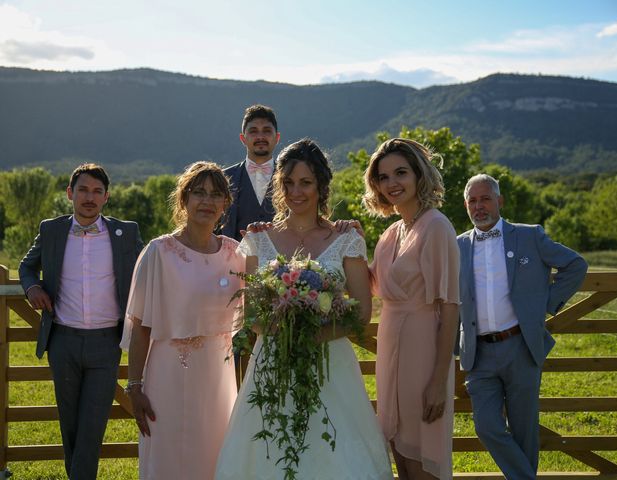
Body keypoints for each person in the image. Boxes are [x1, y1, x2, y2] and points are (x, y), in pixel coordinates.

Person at [215, 139, 393, 479]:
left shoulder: (346, 239)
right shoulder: (259, 239)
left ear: (321, 186)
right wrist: (283, 333)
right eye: (288, 183)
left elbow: (360, 313)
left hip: (330, 365)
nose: (296, 191)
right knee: (269, 451)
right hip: (272, 364)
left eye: (306, 183)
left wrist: (314, 335)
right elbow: (251, 313)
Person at [457, 174, 587, 480]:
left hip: (521, 346)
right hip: (478, 354)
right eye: (472, 201)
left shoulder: (530, 236)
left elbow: (575, 265)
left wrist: (543, 304)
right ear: (466, 205)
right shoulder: (456, 245)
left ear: (500, 201)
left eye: (485, 198)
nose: (479, 206)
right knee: (486, 426)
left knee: (524, 430)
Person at [19, 163, 144, 479]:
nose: (90, 197)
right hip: (62, 341)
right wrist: (32, 287)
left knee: (92, 424)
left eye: (97, 192)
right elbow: (26, 266)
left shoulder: (126, 232)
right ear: (69, 193)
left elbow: (149, 269)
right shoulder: (51, 230)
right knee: (70, 424)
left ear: (106, 197)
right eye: (83, 190)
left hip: (106, 343)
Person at [120, 161, 244, 479]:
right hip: (167, 372)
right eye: (198, 193)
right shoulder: (158, 253)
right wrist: (134, 387)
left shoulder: (237, 255)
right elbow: (140, 327)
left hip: (218, 373)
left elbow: (255, 315)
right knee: (168, 454)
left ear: (225, 204)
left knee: (215, 453)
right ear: (184, 199)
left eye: (216, 194)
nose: (207, 201)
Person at [365, 138, 460, 480]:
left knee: (421, 454)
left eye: (401, 173)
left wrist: (438, 381)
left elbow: (450, 307)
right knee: (399, 452)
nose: (392, 183)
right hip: (390, 350)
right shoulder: (392, 232)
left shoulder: (436, 226)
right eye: (384, 177)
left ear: (420, 175)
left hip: (422, 353)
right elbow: (369, 283)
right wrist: (340, 237)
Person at [221, 104, 281, 241]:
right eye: (253, 131)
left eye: (266, 131)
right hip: (233, 260)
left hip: (283, 260)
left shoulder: (290, 178)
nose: (260, 136)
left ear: (277, 138)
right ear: (243, 138)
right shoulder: (223, 178)